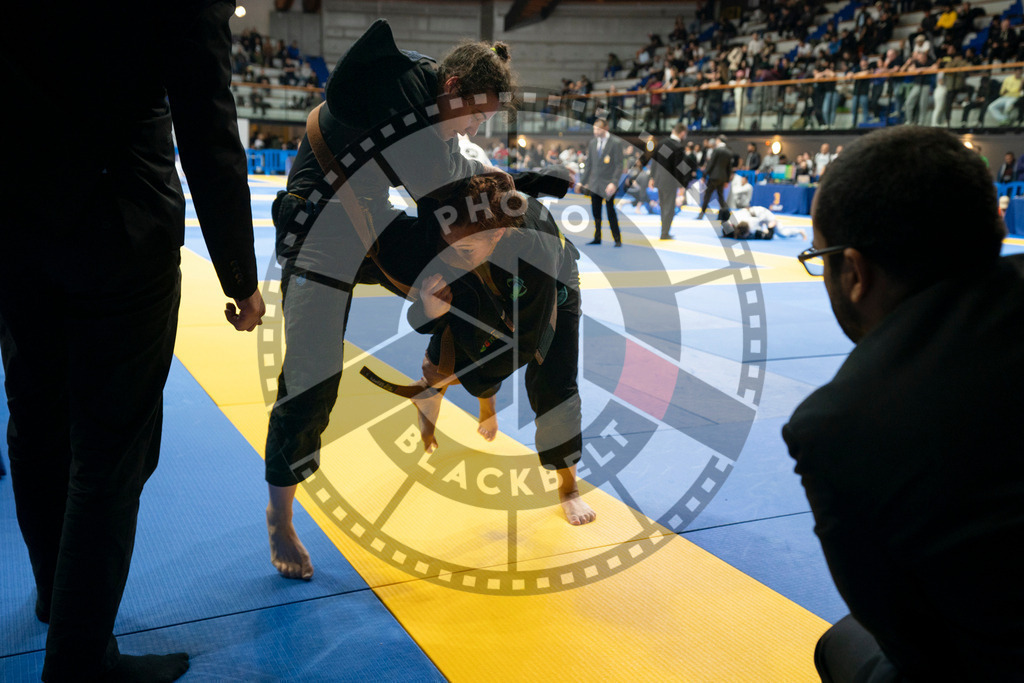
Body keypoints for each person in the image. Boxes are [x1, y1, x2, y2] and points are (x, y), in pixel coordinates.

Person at [0, 2, 265, 681]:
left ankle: (61, 603)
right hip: (119, 226)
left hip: (14, 218)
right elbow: (205, 117)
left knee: (34, 417)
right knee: (111, 451)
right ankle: (81, 661)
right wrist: (239, 272)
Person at [264, 20, 534, 582]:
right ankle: (280, 515)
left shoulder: (432, 97)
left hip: (370, 213)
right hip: (317, 232)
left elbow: (461, 163)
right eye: (479, 114)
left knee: (480, 278)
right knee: (311, 384)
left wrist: (510, 198)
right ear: (454, 85)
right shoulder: (402, 96)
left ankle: (435, 367)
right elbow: (443, 183)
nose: (478, 125)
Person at [784, 126, 1024, 681]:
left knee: (843, 643)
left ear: (855, 272)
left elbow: (915, 645)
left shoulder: (842, 426)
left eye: (819, 258)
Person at [398, 175, 596, 525]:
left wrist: (460, 379)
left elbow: (528, 343)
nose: (452, 259)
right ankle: (464, 398)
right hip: (490, 267)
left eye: (462, 252)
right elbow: (423, 315)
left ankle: (569, 489)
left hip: (554, 288)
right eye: (448, 248)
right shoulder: (455, 231)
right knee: (448, 346)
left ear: (498, 233)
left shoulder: (536, 246)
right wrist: (428, 311)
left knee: (554, 384)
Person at [576, 118, 623, 246]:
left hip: (608, 183)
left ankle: (617, 239)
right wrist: (582, 182)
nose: (596, 131)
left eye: (598, 129)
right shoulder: (592, 143)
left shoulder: (615, 143)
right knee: (595, 211)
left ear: (606, 128)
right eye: (594, 129)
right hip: (594, 183)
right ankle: (597, 237)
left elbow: (619, 165)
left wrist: (614, 182)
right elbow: (589, 164)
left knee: (610, 211)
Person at [651, 123, 692, 240]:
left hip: (659, 179)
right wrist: (681, 185)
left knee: (663, 206)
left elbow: (654, 161)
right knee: (669, 208)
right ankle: (664, 232)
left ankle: (663, 230)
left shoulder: (661, 142)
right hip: (670, 181)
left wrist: (652, 177)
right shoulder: (678, 146)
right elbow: (678, 167)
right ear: (683, 132)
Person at [697, 135, 733, 220]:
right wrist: (727, 180)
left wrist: (704, 175)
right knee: (721, 197)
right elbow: (729, 167)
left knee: (707, 195)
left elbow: (711, 164)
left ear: (719, 140)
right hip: (723, 177)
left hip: (714, 177)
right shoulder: (729, 152)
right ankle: (724, 216)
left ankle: (701, 214)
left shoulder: (717, 150)